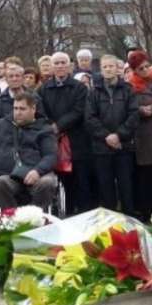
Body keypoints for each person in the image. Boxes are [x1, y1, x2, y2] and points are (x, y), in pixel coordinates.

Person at [37, 52, 94, 214]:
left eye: (63, 63)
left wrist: (59, 126)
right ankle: (62, 213)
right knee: (60, 180)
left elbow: (79, 110)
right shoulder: (43, 89)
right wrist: (51, 127)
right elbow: (40, 112)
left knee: (81, 180)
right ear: (52, 67)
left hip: (77, 140)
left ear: (70, 66)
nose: (60, 66)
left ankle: (82, 213)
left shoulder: (79, 88)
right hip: (52, 140)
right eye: (57, 63)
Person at [85, 55, 140, 214]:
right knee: (106, 188)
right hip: (101, 148)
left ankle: (129, 222)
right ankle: (110, 225)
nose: (108, 69)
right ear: (100, 70)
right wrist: (106, 136)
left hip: (124, 146)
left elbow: (134, 115)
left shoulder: (128, 90)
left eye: (111, 66)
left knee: (127, 188)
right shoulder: (93, 92)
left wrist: (119, 135)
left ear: (117, 68)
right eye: (105, 67)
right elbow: (89, 118)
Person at [0, 92, 59, 209]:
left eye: (22, 109)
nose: (18, 112)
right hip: (10, 175)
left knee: (46, 183)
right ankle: (11, 220)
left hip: (37, 174)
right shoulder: (0, 126)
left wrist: (37, 171)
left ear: (33, 108)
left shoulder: (44, 129)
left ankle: (35, 220)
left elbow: (50, 156)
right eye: (15, 108)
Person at [126, 50, 152, 218]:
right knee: (147, 175)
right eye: (140, 68)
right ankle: (148, 211)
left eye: (146, 66)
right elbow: (135, 109)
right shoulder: (131, 86)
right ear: (134, 70)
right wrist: (147, 110)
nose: (145, 70)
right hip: (144, 137)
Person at [0, 63, 43, 134]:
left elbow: (42, 121)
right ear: (6, 79)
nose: (14, 79)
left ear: (22, 78)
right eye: (11, 76)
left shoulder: (34, 97)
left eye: (17, 76)